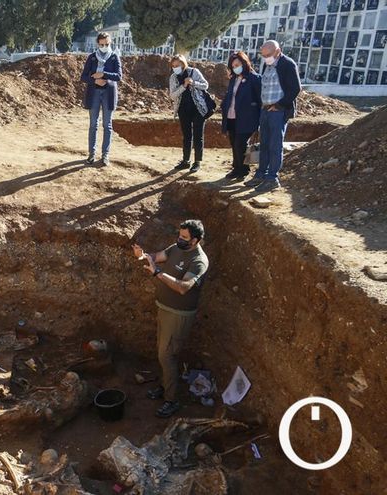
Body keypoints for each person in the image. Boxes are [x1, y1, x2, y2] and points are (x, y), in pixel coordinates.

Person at [132, 220, 209, 418]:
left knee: (167, 356)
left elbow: (183, 287)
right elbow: (156, 257)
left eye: (184, 237)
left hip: (179, 314)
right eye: (179, 235)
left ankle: (171, 400)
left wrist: (157, 273)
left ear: (196, 240)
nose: (179, 240)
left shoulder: (199, 261)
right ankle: (164, 386)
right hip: (164, 308)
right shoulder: (176, 248)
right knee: (161, 352)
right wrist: (143, 256)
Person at [245, 40, 301, 193]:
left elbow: (295, 88)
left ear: (278, 51)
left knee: (275, 145)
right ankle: (261, 174)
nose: (265, 58)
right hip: (265, 110)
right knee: (264, 144)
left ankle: (272, 178)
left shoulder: (287, 64)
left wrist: (280, 105)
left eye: (268, 55)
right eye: (263, 55)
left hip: (278, 111)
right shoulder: (267, 65)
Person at [81, 32, 121, 166]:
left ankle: (105, 155)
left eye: (107, 44)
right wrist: (94, 81)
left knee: (107, 125)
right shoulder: (92, 58)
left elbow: (118, 76)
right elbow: (83, 77)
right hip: (94, 94)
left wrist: (103, 75)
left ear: (110, 43)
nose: (104, 46)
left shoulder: (115, 57)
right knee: (93, 124)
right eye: (102, 44)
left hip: (109, 94)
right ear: (97, 44)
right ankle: (91, 154)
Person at [220, 52, 262, 181]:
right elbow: (231, 96)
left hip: (247, 118)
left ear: (244, 63)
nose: (235, 67)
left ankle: (243, 170)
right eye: (233, 66)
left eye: (237, 65)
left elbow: (260, 100)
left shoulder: (254, 78)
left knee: (240, 143)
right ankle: (236, 168)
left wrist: (259, 120)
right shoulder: (233, 79)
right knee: (234, 143)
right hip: (232, 116)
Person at [168, 55, 210, 173]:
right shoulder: (173, 77)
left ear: (183, 64)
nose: (175, 68)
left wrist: (193, 82)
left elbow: (205, 85)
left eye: (178, 65)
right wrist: (184, 86)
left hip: (198, 109)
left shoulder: (194, 72)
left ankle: (197, 162)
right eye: (173, 66)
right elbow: (172, 95)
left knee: (198, 136)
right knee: (187, 136)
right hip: (183, 110)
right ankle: (186, 161)